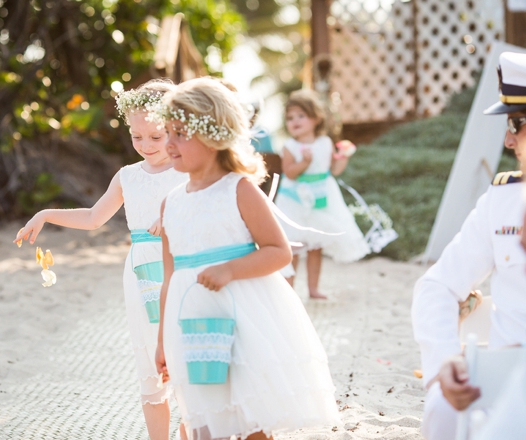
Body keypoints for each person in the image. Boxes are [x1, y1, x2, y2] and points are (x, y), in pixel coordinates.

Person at [153, 77, 340, 440]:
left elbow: (278, 251)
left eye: (179, 134)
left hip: (241, 320)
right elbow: (169, 276)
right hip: (192, 325)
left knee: (249, 417)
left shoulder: (238, 189)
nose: (168, 143)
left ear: (211, 135)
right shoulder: (170, 203)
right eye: (167, 132)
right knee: (206, 416)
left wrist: (230, 269)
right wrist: (163, 341)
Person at [14, 79, 188, 440]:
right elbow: (94, 218)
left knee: (182, 354)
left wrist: (174, 215)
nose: (145, 146)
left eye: (155, 137)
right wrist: (46, 214)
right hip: (141, 269)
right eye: (137, 137)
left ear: (174, 127)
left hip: (181, 264)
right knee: (149, 360)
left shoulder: (187, 171)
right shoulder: (128, 176)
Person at [411, 51, 526, 440]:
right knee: (443, 409)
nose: (508, 139)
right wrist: (445, 361)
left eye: (518, 123)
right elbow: (437, 287)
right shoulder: (503, 201)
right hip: (506, 379)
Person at [273, 89, 370, 296]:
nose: (294, 121)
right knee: (295, 246)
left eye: (301, 116)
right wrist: (304, 163)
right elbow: (289, 173)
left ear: (316, 119)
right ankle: (289, 291)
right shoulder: (290, 146)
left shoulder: (325, 143)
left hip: (321, 199)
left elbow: (332, 171)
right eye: (290, 118)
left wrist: (342, 159)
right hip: (295, 201)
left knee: (316, 245)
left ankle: (313, 289)